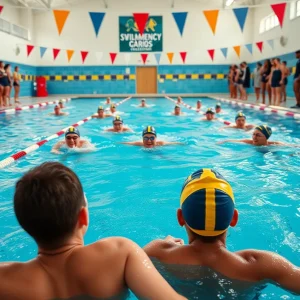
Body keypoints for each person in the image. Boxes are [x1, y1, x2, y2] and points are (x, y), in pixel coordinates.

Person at [0, 162, 185, 300]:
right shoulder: (121, 252)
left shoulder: (6, 280)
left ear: (25, 226)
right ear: (84, 217)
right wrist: (144, 254)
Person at [143, 168, 300, 298]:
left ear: (180, 217)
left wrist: (166, 247)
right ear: (234, 218)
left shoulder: (157, 254)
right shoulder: (261, 266)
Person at [219, 125, 286, 146]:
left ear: (266, 138)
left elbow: (293, 146)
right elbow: (231, 140)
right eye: (253, 134)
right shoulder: (249, 142)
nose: (254, 137)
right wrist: (224, 141)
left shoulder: (275, 144)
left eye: (258, 135)